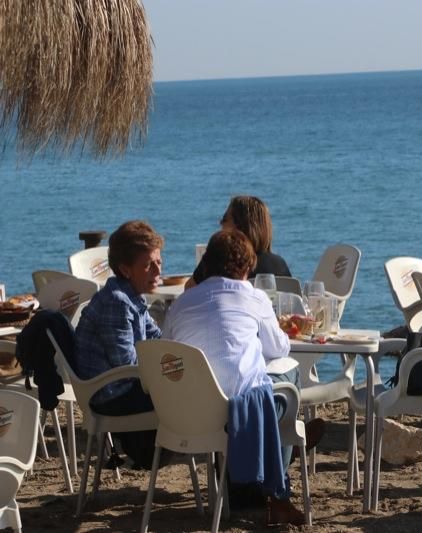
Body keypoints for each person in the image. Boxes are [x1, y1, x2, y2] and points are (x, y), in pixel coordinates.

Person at [163, 229, 321, 525]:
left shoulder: (182, 303)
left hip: (188, 418)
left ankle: (282, 451)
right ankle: (280, 485)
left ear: (207, 263)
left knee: (263, 387)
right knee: (286, 375)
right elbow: (280, 347)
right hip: (237, 414)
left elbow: (166, 350)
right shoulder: (253, 297)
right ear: (248, 268)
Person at [74, 220, 166, 468]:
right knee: (188, 395)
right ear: (126, 270)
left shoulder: (130, 296)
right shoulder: (117, 302)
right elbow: (126, 366)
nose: (158, 272)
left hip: (120, 387)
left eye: (158, 262)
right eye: (148, 266)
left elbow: (158, 338)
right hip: (109, 395)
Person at [188, 195, 290, 288]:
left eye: (224, 219)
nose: (220, 223)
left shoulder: (217, 261)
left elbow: (189, 290)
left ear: (240, 227)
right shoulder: (279, 265)